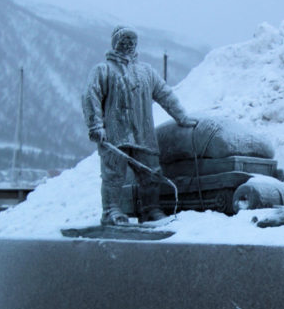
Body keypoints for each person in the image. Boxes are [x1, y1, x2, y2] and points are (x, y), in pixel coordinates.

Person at [81, 26, 197, 225]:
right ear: (115, 43)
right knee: (113, 174)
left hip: (143, 134)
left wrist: (182, 117)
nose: (127, 44)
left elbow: (165, 95)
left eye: (131, 41)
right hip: (115, 135)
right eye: (123, 40)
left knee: (151, 173)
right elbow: (91, 96)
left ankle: (150, 209)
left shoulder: (146, 72)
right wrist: (95, 125)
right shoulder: (103, 70)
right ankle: (111, 211)